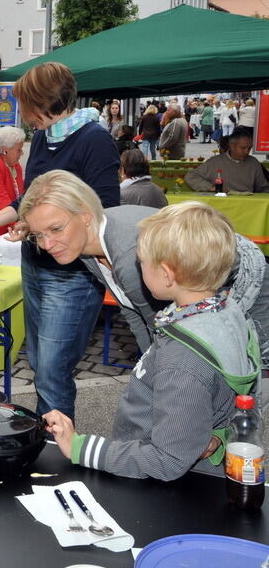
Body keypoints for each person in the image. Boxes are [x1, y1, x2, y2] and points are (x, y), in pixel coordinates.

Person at [44, 201, 258, 481]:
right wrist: (219, 434)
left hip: (167, 487)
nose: (137, 265)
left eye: (141, 261)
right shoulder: (227, 313)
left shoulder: (183, 360)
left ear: (167, 275)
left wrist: (80, 447)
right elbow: (246, 401)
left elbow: (166, 460)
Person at [0, 62, 120, 420]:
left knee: (51, 370)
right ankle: (46, 434)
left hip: (72, 274)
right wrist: (1, 221)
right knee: (41, 363)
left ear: (45, 102)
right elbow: (31, 202)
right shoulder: (47, 137)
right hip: (36, 264)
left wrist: (53, 232)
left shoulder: (93, 139)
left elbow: (106, 211)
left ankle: (54, 448)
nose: (21, 114)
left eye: (25, 105)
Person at [16, 169, 269, 373]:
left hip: (245, 280)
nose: (47, 245)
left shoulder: (128, 256)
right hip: (215, 279)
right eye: (39, 235)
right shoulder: (85, 242)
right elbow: (133, 310)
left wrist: (157, 379)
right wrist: (148, 369)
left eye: (56, 229)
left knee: (240, 375)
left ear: (84, 214)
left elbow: (167, 331)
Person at [184, 129, 269, 193]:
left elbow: (263, 188)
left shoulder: (253, 162)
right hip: (223, 204)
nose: (247, 151)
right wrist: (210, 187)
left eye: (249, 148)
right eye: (243, 148)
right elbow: (191, 176)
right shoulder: (215, 162)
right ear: (232, 146)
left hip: (247, 205)